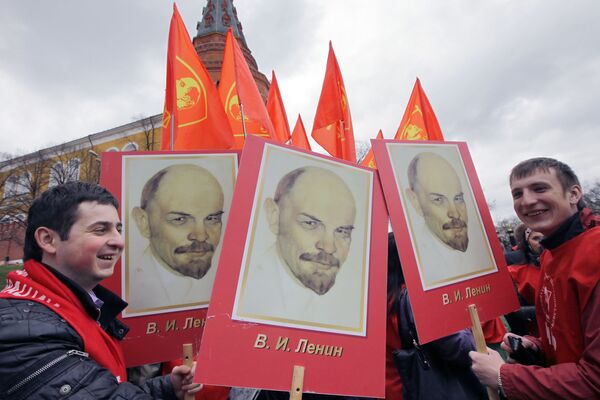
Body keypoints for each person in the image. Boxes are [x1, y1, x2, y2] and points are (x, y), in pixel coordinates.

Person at [0, 182, 201, 399]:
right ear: (48, 240)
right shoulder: (25, 331)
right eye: (100, 230)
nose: (118, 241)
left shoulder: (77, 306)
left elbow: (105, 390)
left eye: (118, 229)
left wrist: (168, 388)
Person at [470, 157, 600, 399]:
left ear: (573, 194)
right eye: (517, 193)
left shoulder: (595, 254)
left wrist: (503, 376)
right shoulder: (551, 254)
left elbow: (594, 380)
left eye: (540, 188)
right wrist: (535, 346)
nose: (527, 201)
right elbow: (570, 340)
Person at [237, 166, 362, 330]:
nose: (329, 247)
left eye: (342, 231)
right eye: (311, 224)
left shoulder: (354, 307)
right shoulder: (243, 296)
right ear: (274, 217)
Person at [386, 232, 487, 399]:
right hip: (431, 386)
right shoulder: (419, 299)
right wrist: (466, 322)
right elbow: (461, 349)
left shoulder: (375, 300)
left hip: (397, 387)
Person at [129, 164, 225, 312]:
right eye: (180, 220)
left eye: (212, 218)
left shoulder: (237, 283)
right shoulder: (130, 289)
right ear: (144, 222)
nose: (201, 236)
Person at [405, 152, 495, 289]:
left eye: (458, 198)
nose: (455, 213)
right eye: (438, 200)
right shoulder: (419, 267)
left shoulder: (482, 255)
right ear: (415, 201)